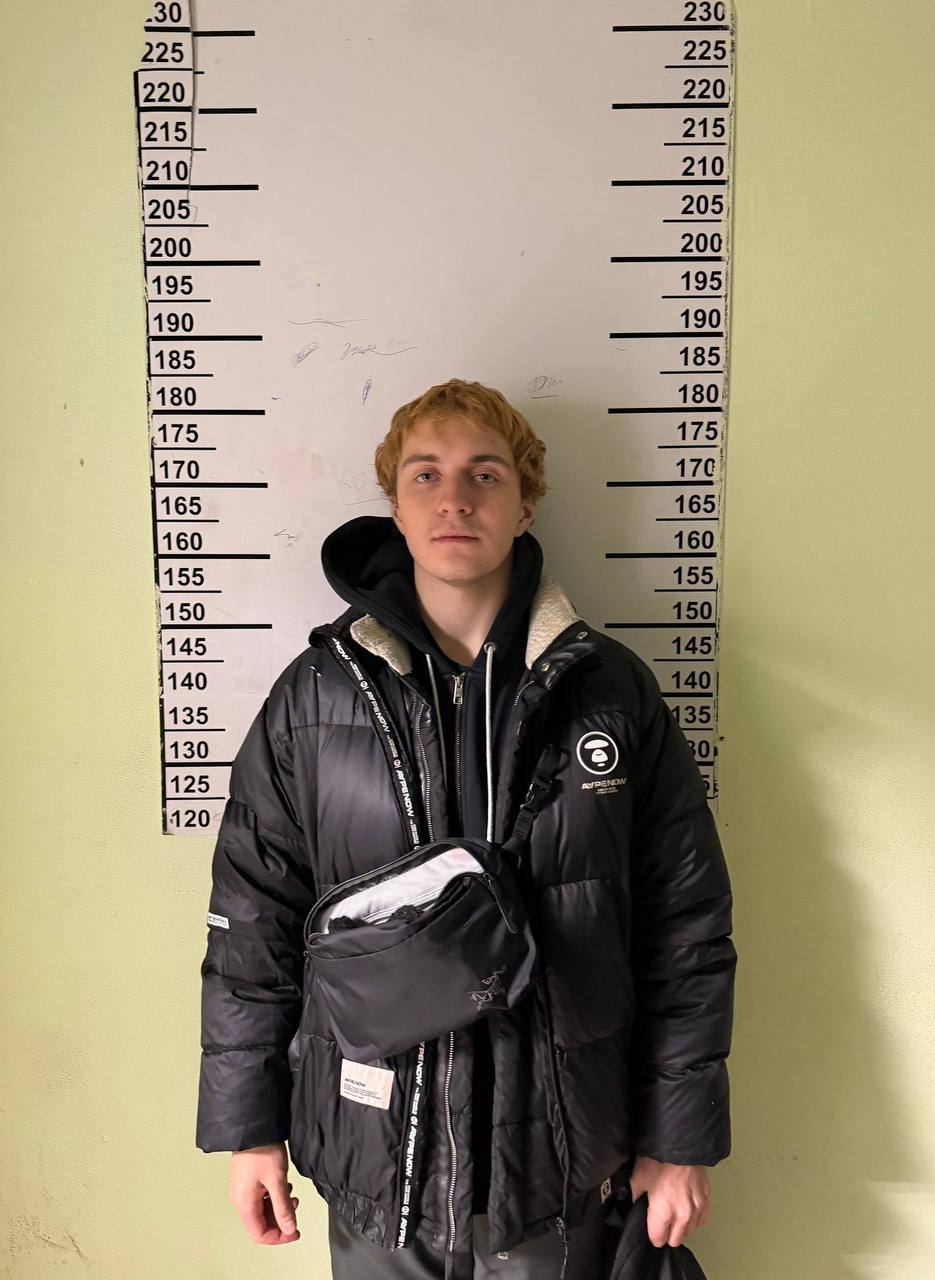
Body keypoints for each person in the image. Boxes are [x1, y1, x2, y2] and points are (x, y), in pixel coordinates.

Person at [196, 378, 737, 1280]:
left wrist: (678, 1139)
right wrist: (249, 1130)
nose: (454, 499)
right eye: (426, 475)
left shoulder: (610, 692)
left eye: (485, 475)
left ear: (525, 505)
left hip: (560, 1167)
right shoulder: (314, 698)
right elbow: (251, 923)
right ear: (395, 507)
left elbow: (686, 928)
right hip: (373, 1160)